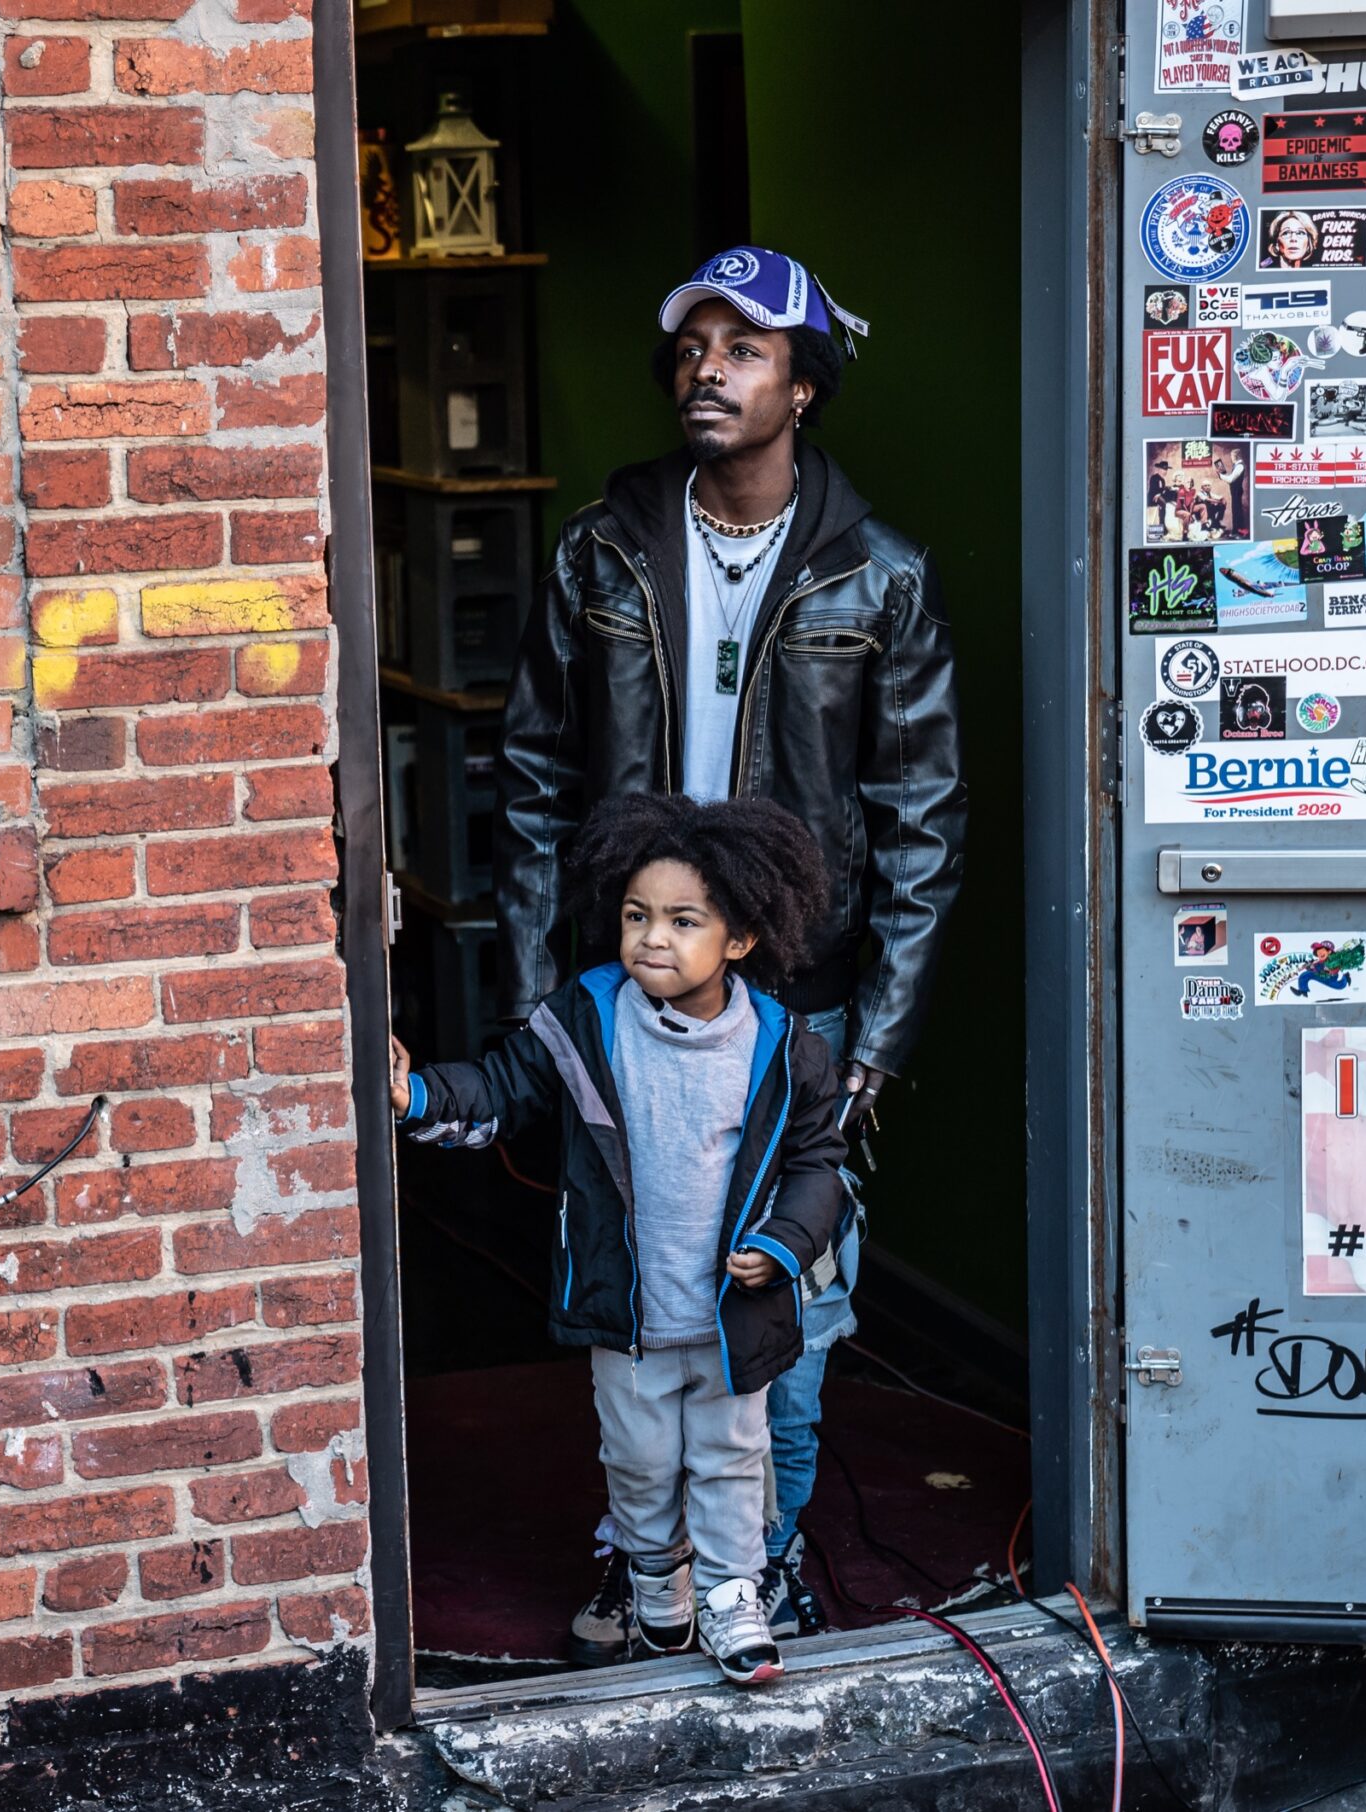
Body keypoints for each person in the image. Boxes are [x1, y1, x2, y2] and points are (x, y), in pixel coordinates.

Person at [493, 245, 965, 1655]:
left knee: (785, 1314)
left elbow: (923, 827)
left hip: (800, 1004)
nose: (709, 369)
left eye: (746, 349)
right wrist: (535, 1006)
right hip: (626, 991)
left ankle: (763, 1557)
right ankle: (646, 1561)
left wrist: (875, 1045)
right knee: (635, 1291)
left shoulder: (881, 577)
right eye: (695, 347)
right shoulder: (602, 549)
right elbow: (531, 784)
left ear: (803, 387)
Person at [392, 794, 851, 1685]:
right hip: (629, 1315)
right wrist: (416, 1095)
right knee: (639, 1463)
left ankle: (732, 1593)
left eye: (684, 921)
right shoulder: (588, 1017)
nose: (652, 938)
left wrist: (785, 1246)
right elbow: (502, 1090)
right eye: (638, 916)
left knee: (730, 1460)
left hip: (733, 1316)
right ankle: (653, 1575)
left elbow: (817, 1165)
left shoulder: (784, 1046)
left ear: (741, 939)